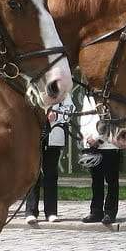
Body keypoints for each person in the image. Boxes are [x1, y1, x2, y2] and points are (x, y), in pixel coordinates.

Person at [25, 94, 75, 224]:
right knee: (34, 174)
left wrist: (56, 115)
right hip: (35, 136)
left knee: (51, 174)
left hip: (54, 136)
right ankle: (31, 211)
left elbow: (70, 109)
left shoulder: (62, 89)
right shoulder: (35, 86)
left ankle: (51, 212)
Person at [79, 94, 121, 225]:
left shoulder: (111, 97)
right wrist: (87, 137)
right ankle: (96, 211)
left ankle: (110, 212)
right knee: (96, 181)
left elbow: (112, 121)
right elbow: (84, 120)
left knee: (111, 181)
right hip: (92, 145)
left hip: (109, 145)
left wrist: (98, 138)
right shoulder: (88, 98)